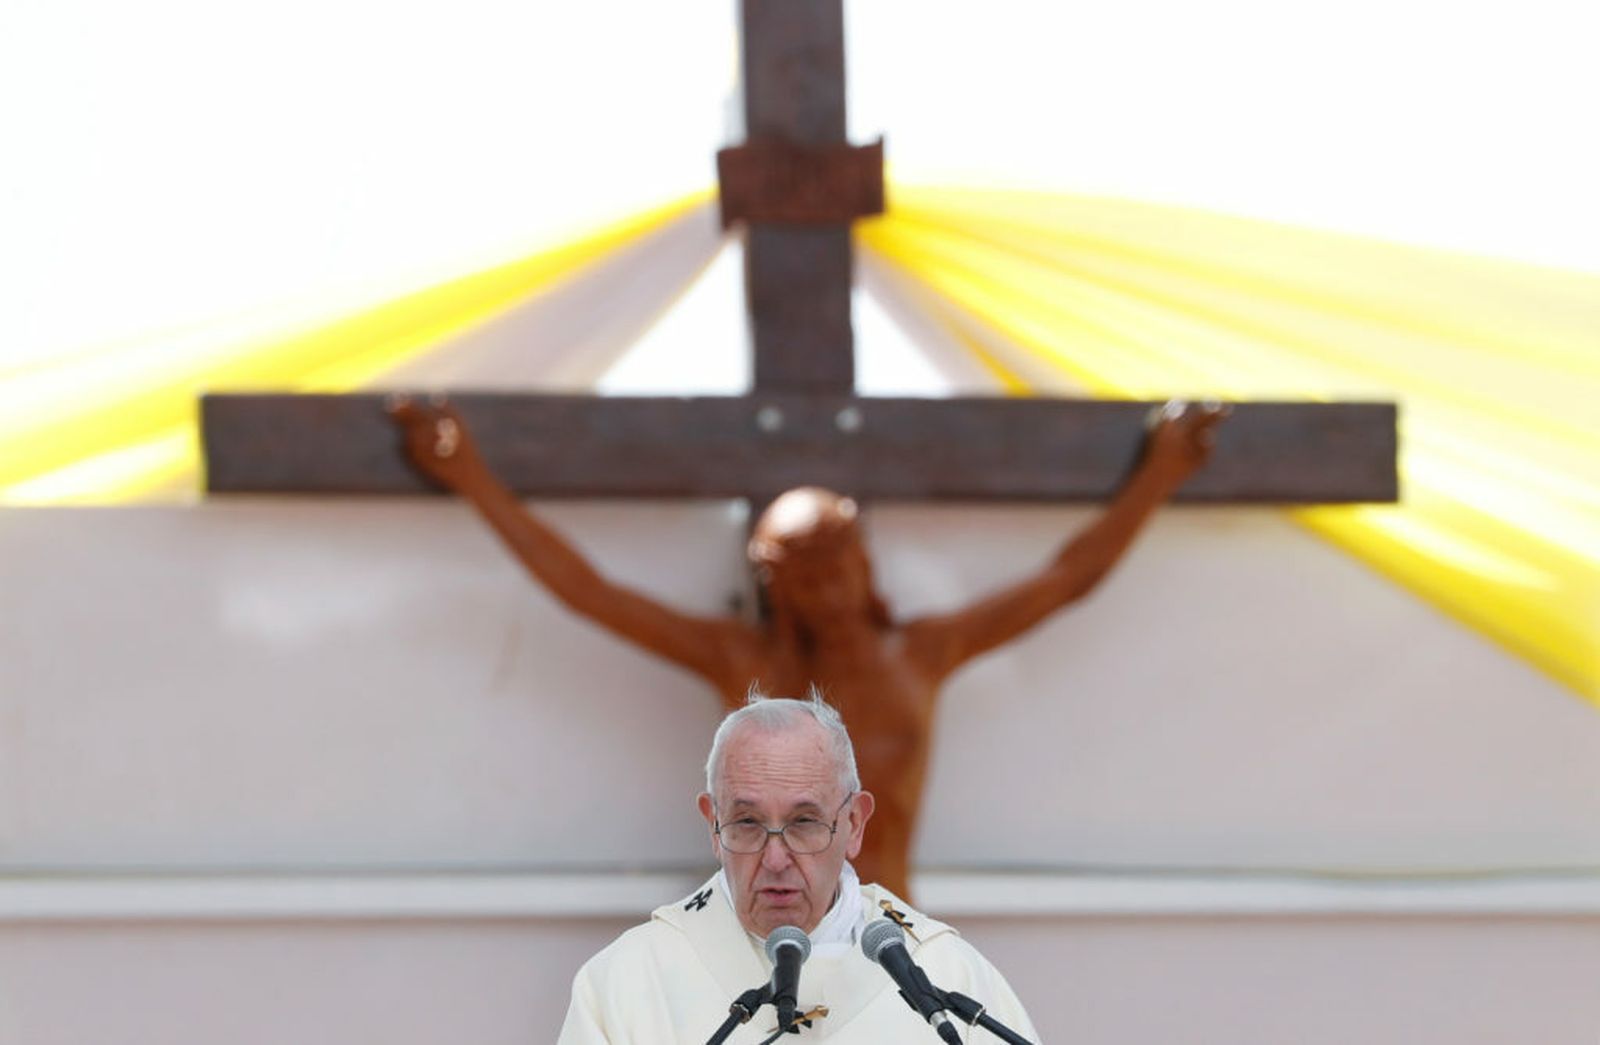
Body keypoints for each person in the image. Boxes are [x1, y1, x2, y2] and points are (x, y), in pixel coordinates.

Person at [390, 397, 1226, 897]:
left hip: (890, 951)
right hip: (767, 954)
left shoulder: (924, 653)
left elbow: (1067, 577)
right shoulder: (740, 663)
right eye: (804, 570)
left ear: (866, 563)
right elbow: (588, 590)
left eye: (838, 563)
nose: (825, 585)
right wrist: (472, 477)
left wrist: (1161, 471)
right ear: (771, 581)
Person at [556, 692, 1039, 1043]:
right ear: (712, 824)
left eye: (804, 823)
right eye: (746, 823)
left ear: (854, 824)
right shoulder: (627, 981)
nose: (775, 858)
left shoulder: (944, 973)